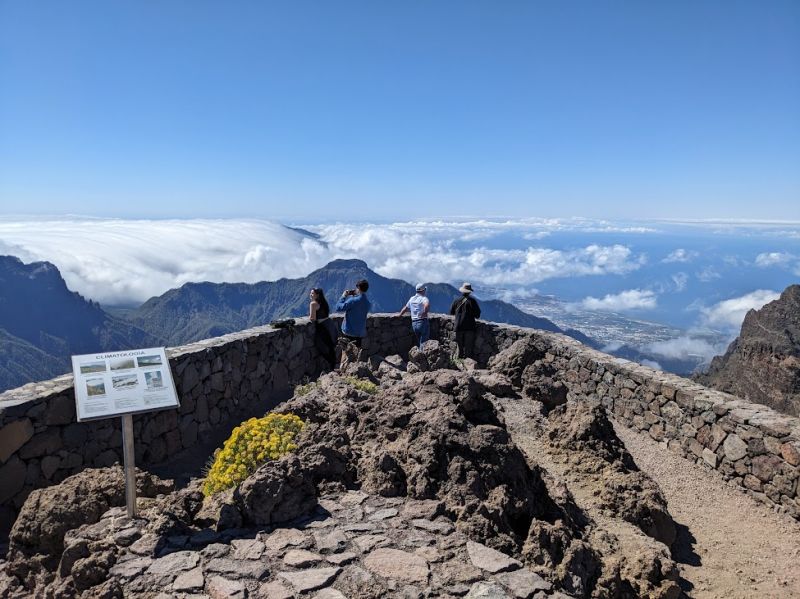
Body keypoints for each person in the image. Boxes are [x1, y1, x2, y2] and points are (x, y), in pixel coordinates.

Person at [335, 279, 371, 348]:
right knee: (356, 354)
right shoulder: (367, 303)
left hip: (349, 332)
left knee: (347, 355)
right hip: (359, 333)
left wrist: (343, 296)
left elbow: (338, 308)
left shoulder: (353, 301)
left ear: (358, 288)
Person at [450, 282, 481, 359]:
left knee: (459, 348)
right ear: (469, 292)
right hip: (469, 327)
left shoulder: (456, 301)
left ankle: (459, 364)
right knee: (468, 348)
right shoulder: (472, 302)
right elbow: (477, 315)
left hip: (458, 327)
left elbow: (451, 312)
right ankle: (468, 365)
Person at [309, 288, 337, 369]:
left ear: (317, 295)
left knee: (321, 346)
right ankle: (333, 365)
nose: (310, 295)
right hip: (329, 325)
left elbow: (312, 318)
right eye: (310, 293)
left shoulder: (313, 304)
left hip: (323, 327)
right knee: (330, 346)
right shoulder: (323, 302)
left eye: (312, 293)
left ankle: (331, 365)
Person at [399, 283, 430, 348]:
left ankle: (419, 355)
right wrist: (424, 313)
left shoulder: (412, 298)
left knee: (419, 341)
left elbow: (406, 308)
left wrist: (400, 315)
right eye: (425, 290)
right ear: (423, 290)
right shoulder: (424, 298)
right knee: (424, 342)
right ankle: (422, 356)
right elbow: (426, 305)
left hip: (414, 323)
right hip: (422, 322)